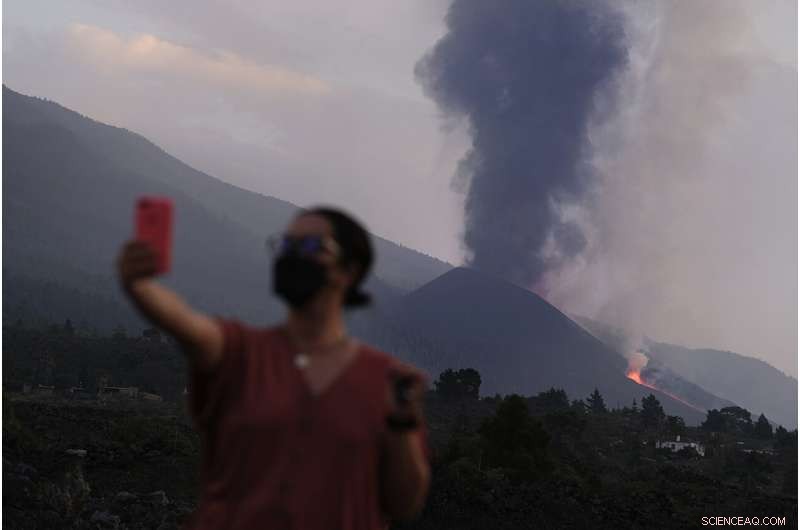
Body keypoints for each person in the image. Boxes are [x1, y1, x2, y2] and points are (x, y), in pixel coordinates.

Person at [116, 206, 431, 529]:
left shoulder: (384, 380)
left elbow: (404, 503)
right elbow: (189, 326)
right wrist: (142, 288)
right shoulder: (241, 353)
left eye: (310, 247)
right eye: (285, 246)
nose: (292, 256)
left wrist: (402, 424)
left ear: (348, 270)